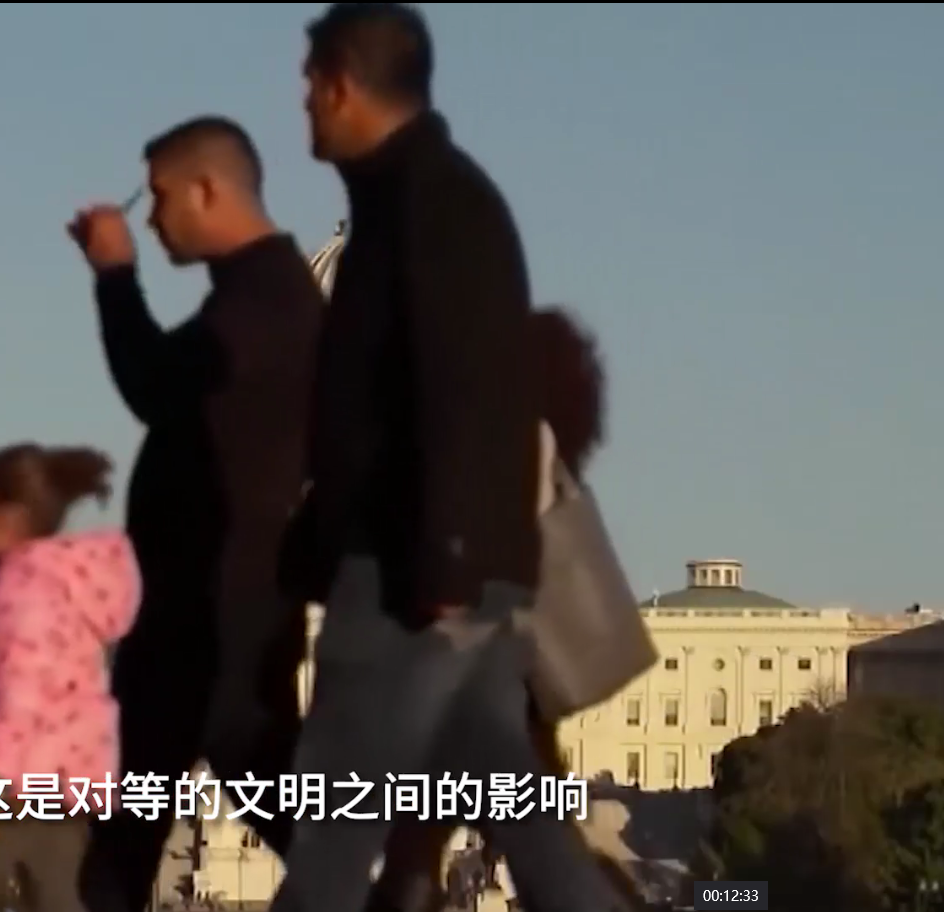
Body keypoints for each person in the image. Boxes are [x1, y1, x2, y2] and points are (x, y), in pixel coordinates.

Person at [275, 5, 624, 911]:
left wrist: (442, 562)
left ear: (344, 86)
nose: (302, 104)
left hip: (412, 580)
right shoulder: (424, 202)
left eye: (309, 85)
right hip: (436, 572)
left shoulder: (429, 208)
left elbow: (457, 393)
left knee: (332, 829)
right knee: (528, 831)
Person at [66, 116, 325, 912]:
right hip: (216, 615)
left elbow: (154, 384)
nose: (150, 218)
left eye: (160, 196)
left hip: (210, 620)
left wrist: (115, 275)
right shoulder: (265, 298)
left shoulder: (262, 305)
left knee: (126, 855)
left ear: (207, 190)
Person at [368, 308, 645, 912]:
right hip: (482, 673)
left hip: (473, 671)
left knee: (540, 860)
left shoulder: (484, 433)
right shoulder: (512, 429)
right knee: (439, 855)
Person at [0, 444, 140, 912]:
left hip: (18, 785)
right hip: (71, 786)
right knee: (60, 897)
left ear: (8, 516)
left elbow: (21, 694)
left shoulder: (19, 589)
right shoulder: (64, 586)